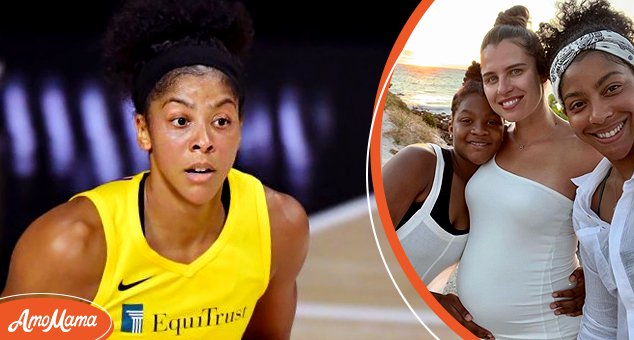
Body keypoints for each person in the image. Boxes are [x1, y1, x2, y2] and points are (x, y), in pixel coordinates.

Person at [0, 0, 310, 339]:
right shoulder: (69, 247)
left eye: (221, 121)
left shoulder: (278, 226)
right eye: (180, 121)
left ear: (240, 128)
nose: (203, 141)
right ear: (143, 130)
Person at [454, 5, 603, 339]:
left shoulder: (584, 148)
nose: (502, 88)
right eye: (491, 78)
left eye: (515, 72)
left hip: (546, 329)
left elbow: (625, 227)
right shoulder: (491, 143)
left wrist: (594, 278)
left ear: (541, 73)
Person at [538, 0, 634, 338]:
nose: (598, 115)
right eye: (578, 104)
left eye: (612, 88)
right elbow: (602, 322)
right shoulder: (588, 204)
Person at [383, 61, 504, 339]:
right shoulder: (420, 163)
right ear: (450, 125)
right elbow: (361, 245)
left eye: (491, 122)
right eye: (466, 120)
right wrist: (432, 302)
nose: (479, 130)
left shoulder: (493, 191)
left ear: (504, 130)